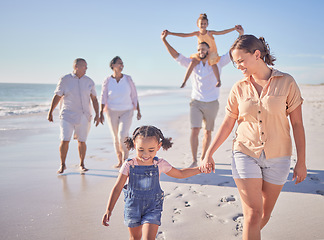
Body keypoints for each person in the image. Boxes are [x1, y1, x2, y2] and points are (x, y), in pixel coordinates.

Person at [200, 35, 307, 240]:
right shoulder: (238, 88)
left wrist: (301, 162)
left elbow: (297, 124)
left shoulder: (286, 82)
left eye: (240, 60)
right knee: (252, 214)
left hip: (279, 156)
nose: (238, 66)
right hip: (245, 152)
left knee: (263, 215)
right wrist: (208, 153)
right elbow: (227, 123)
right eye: (235, 62)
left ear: (257, 54)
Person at [161, 26, 244, 167]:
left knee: (207, 133)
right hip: (196, 102)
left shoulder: (217, 62)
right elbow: (176, 55)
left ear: (209, 50)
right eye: (199, 49)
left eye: (204, 49)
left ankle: (203, 158)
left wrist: (240, 35)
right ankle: (194, 160)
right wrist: (164, 40)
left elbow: (231, 53)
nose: (201, 52)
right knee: (194, 130)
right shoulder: (192, 63)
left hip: (212, 103)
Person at [102, 125, 201, 240]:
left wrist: (199, 169)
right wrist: (109, 210)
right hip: (133, 208)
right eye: (141, 150)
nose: (145, 154)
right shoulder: (129, 165)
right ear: (134, 144)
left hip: (153, 207)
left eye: (151, 150)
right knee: (135, 238)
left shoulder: (160, 164)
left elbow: (180, 174)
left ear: (158, 146)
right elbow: (117, 188)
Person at [47, 58, 100, 174]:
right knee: (65, 140)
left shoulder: (89, 81)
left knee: (82, 141)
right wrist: (50, 111)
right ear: (76, 67)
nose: (86, 68)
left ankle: (82, 164)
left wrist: (98, 114)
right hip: (67, 115)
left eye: (86, 66)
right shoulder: (65, 80)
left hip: (84, 116)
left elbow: (94, 99)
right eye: (84, 66)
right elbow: (57, 96)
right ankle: (62, 165)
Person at [167, 13, 239, 88]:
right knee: (193, 62)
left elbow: (222, 32)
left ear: (207, 24)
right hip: (202, 52)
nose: (203, 25)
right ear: (197, 24)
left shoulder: (210, 33)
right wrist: (170, 33)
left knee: (213, 63)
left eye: (204, 24)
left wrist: (234, 29)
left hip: (212, 53)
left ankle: (218, 80)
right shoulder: (197, 33)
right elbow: (184, 35)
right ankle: (184, 81)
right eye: (201, 24)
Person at [100, 56, 142, 168]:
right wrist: (100, 113)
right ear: (113, 65)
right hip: (111, 111)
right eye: (119, 63)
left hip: (127, 110)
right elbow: (103, 96)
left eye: (122, 63)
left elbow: (134, 95)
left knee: (122, 134)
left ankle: (125, 159)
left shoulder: (128, 79)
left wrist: (138, 110)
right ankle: (119, 160)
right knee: (115, 137)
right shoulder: (107, 80)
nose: (121, 66)